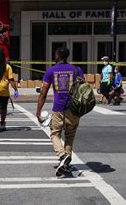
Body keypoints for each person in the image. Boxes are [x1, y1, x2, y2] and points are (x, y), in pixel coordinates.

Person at [36, 47, 84, 177]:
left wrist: (38, 110)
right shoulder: (76, 70)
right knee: (70, 136)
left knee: (54, 133)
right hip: (74, 109)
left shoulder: (51, 71)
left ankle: (62, 155)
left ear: (57, 55)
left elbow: (43, 92)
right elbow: (83, 89)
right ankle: (66, 162)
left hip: (58, 108)